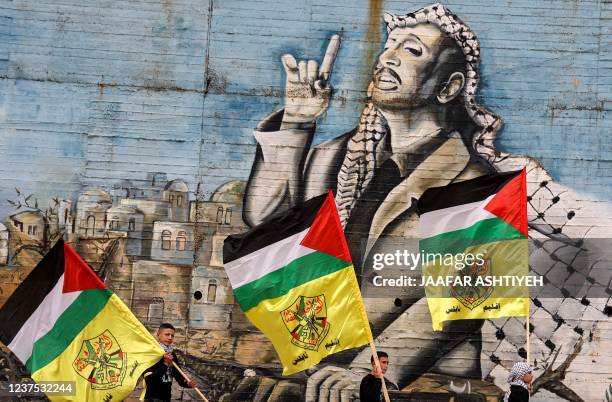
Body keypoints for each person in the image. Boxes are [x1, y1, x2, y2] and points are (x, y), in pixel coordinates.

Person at [142, 323, 197, 402]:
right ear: (158, 335)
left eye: (172, 335)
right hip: (152, 398)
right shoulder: (152, 353)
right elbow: (149, 380)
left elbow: (179, 378)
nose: (170, 337)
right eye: (167, 334)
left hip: (166, 398)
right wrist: (165, 364)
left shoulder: (171, 354)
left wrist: (188, 384)